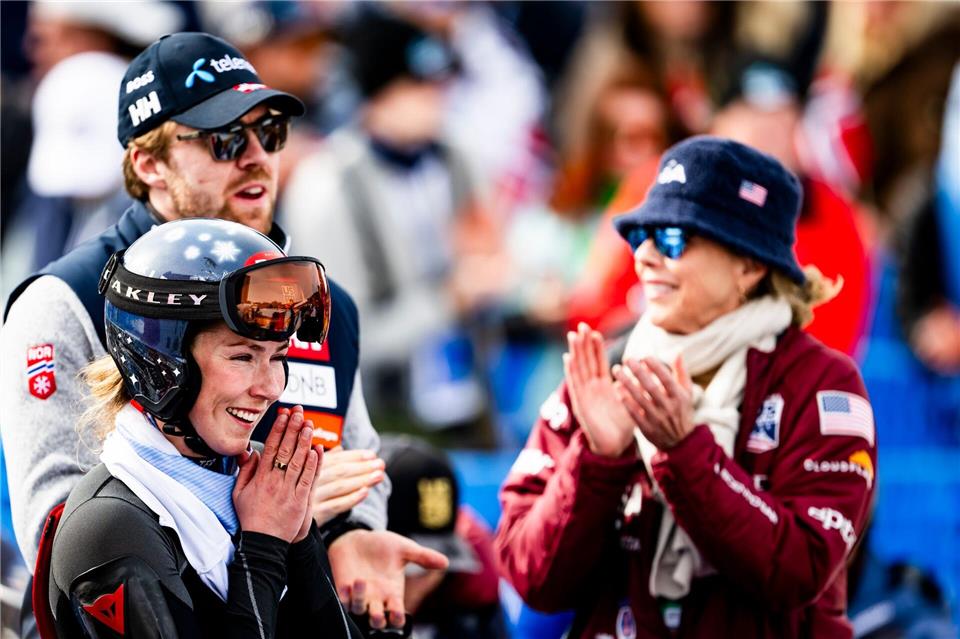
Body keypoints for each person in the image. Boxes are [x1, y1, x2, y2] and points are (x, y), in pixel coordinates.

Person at [1, 31, 444, 634]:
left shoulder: (317, 298)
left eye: (271, 133)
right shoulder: (67, 299)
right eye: (226, 139)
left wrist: (351, 536)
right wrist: (272, 522)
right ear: (148, 164)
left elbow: (355, 464)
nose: (257, 155)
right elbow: (60, 534)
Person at [496, 136, 877, 638]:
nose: (647, 257)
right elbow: (533, 579)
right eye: (642, 237)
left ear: (750, 265)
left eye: (674, 238)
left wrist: (686, 452)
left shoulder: (822, 384)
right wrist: (598, 459)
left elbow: (799, 570)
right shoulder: (607, 369)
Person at [48, 218, 360, 637]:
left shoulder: (250, 487)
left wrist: (300, 539)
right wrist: (264, 546)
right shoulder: (107, 528)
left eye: (278, 357)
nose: (271, 387)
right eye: (243, 358)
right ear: (160, 364)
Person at [380, 435, 506, 639]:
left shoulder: (473, 584)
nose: (417, 584)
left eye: (432, 567)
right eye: (410, 565)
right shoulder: (319, 570)